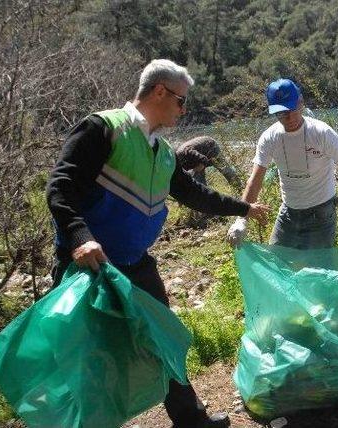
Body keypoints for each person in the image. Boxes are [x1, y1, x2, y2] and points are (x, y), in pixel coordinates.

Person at [46, 59, 270, 428]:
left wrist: (243, 208)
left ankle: (190, 420)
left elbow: (195, 194)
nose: (184, 110)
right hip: (89, 267)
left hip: (134, 264)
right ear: (159, 92)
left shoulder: (163, 152)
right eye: (182, 101)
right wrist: (80, 239)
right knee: (86, 357)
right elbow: (60, 188)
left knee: (162, 339)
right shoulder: (102, 128)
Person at [227, 78, 338, 249]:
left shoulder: (321, 133)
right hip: (288, 211)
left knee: (317, 267)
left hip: (322, 212)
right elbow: (256, 179)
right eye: (281, 113)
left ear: (301, 102)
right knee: (278, 263)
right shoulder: (269, 138)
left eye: (293, 109)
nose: (289, 117)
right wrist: (241, 220)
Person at [176, 136, 244, 193]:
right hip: (198, 157)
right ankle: (203, 200)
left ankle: (240, 190)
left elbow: (203, 159)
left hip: (210, 147)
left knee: (225, 169)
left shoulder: (186, 152)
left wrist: (200, 166)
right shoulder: (176, 165)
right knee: (198, 180)